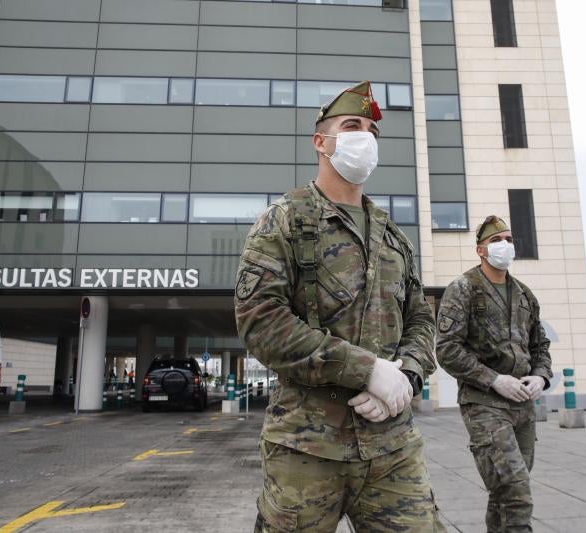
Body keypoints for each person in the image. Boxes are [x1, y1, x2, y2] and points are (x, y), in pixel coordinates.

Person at [235, 81, 444, 532]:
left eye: (372, 130)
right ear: (321, 141)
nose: (365, 138)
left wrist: (406, 373)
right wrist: (366, 370)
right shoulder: (284, 221)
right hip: (306, 450)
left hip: (392, 447)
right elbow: (261, 322)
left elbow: (422, 318)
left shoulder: (394, 237)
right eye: (352, 126)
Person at [435, 215, 552, 533]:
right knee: (517, 494)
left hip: (523, 406)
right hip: (484, 404)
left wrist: (540, 376)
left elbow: (540, 345)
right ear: (480, 250)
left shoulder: (525, 295)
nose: (505, 246)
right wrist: (494, 380)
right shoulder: (463, 290)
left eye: (510, 240)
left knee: (505, 492)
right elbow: (447, 350)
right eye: (496, 241)